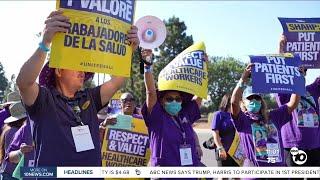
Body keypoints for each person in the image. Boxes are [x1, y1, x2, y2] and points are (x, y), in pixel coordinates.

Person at [16, 9, 139, 167]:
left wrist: (127, 50)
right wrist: (45, 42)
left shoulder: (89, 98)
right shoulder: (43, 99)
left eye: (83, 67)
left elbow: (116, 81)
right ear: (59, 71)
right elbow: (23, 82)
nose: (82, 71)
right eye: (76, 65)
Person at [141, 49, 202, 168]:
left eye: (178, 99)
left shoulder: (185, 114)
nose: (174, 101)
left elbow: (200, 95)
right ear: (162, 101)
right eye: (169, 99)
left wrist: (203, 69)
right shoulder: (157, 116)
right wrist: (147, 65)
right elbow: (151, 92)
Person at [230, 64, 300, 167]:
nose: (254, 101)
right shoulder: (242, 120)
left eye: (257, 98)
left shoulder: (273, 116)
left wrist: (298, 80)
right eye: (250, 99)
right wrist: (243, 79)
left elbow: (293, 104)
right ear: (243, 102)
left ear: (261, 101)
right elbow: (234, 103)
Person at [277, 35, 320, 166]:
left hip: (315, 145)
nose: (301, 72)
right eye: (297, 70)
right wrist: (281, 48)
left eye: (303, 70)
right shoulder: (284, 90)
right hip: (293, 145)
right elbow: (278, 70)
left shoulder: (313, 89)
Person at [0, 102, 27, 180]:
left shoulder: (9, 129)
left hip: (9, 171)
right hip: (11, 173)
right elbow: (10, 155)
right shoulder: (14, 131)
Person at [211, 93, 239, 166]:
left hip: (237, 152)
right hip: (223, 150)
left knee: (237, 175)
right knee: (223, 176)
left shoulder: (238, 115)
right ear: (228, 102)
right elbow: (215, 134)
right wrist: (220, 148)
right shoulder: (218, 114)